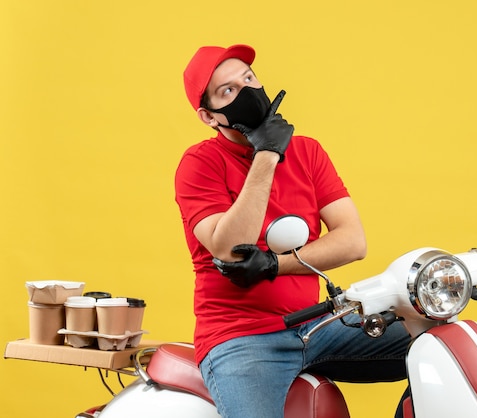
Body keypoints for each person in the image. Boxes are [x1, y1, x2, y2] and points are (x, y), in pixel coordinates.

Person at [175, 44, 411, 418]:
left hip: (318, 324)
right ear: (209, 116)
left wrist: (274, 264)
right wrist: (266, 155)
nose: (248, 92)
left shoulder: (307, 152)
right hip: (241, 339)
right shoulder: (199, 164)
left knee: (437, 343)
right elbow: (230, 248)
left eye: (249, 79)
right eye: (229, 91)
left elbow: (352, 241)